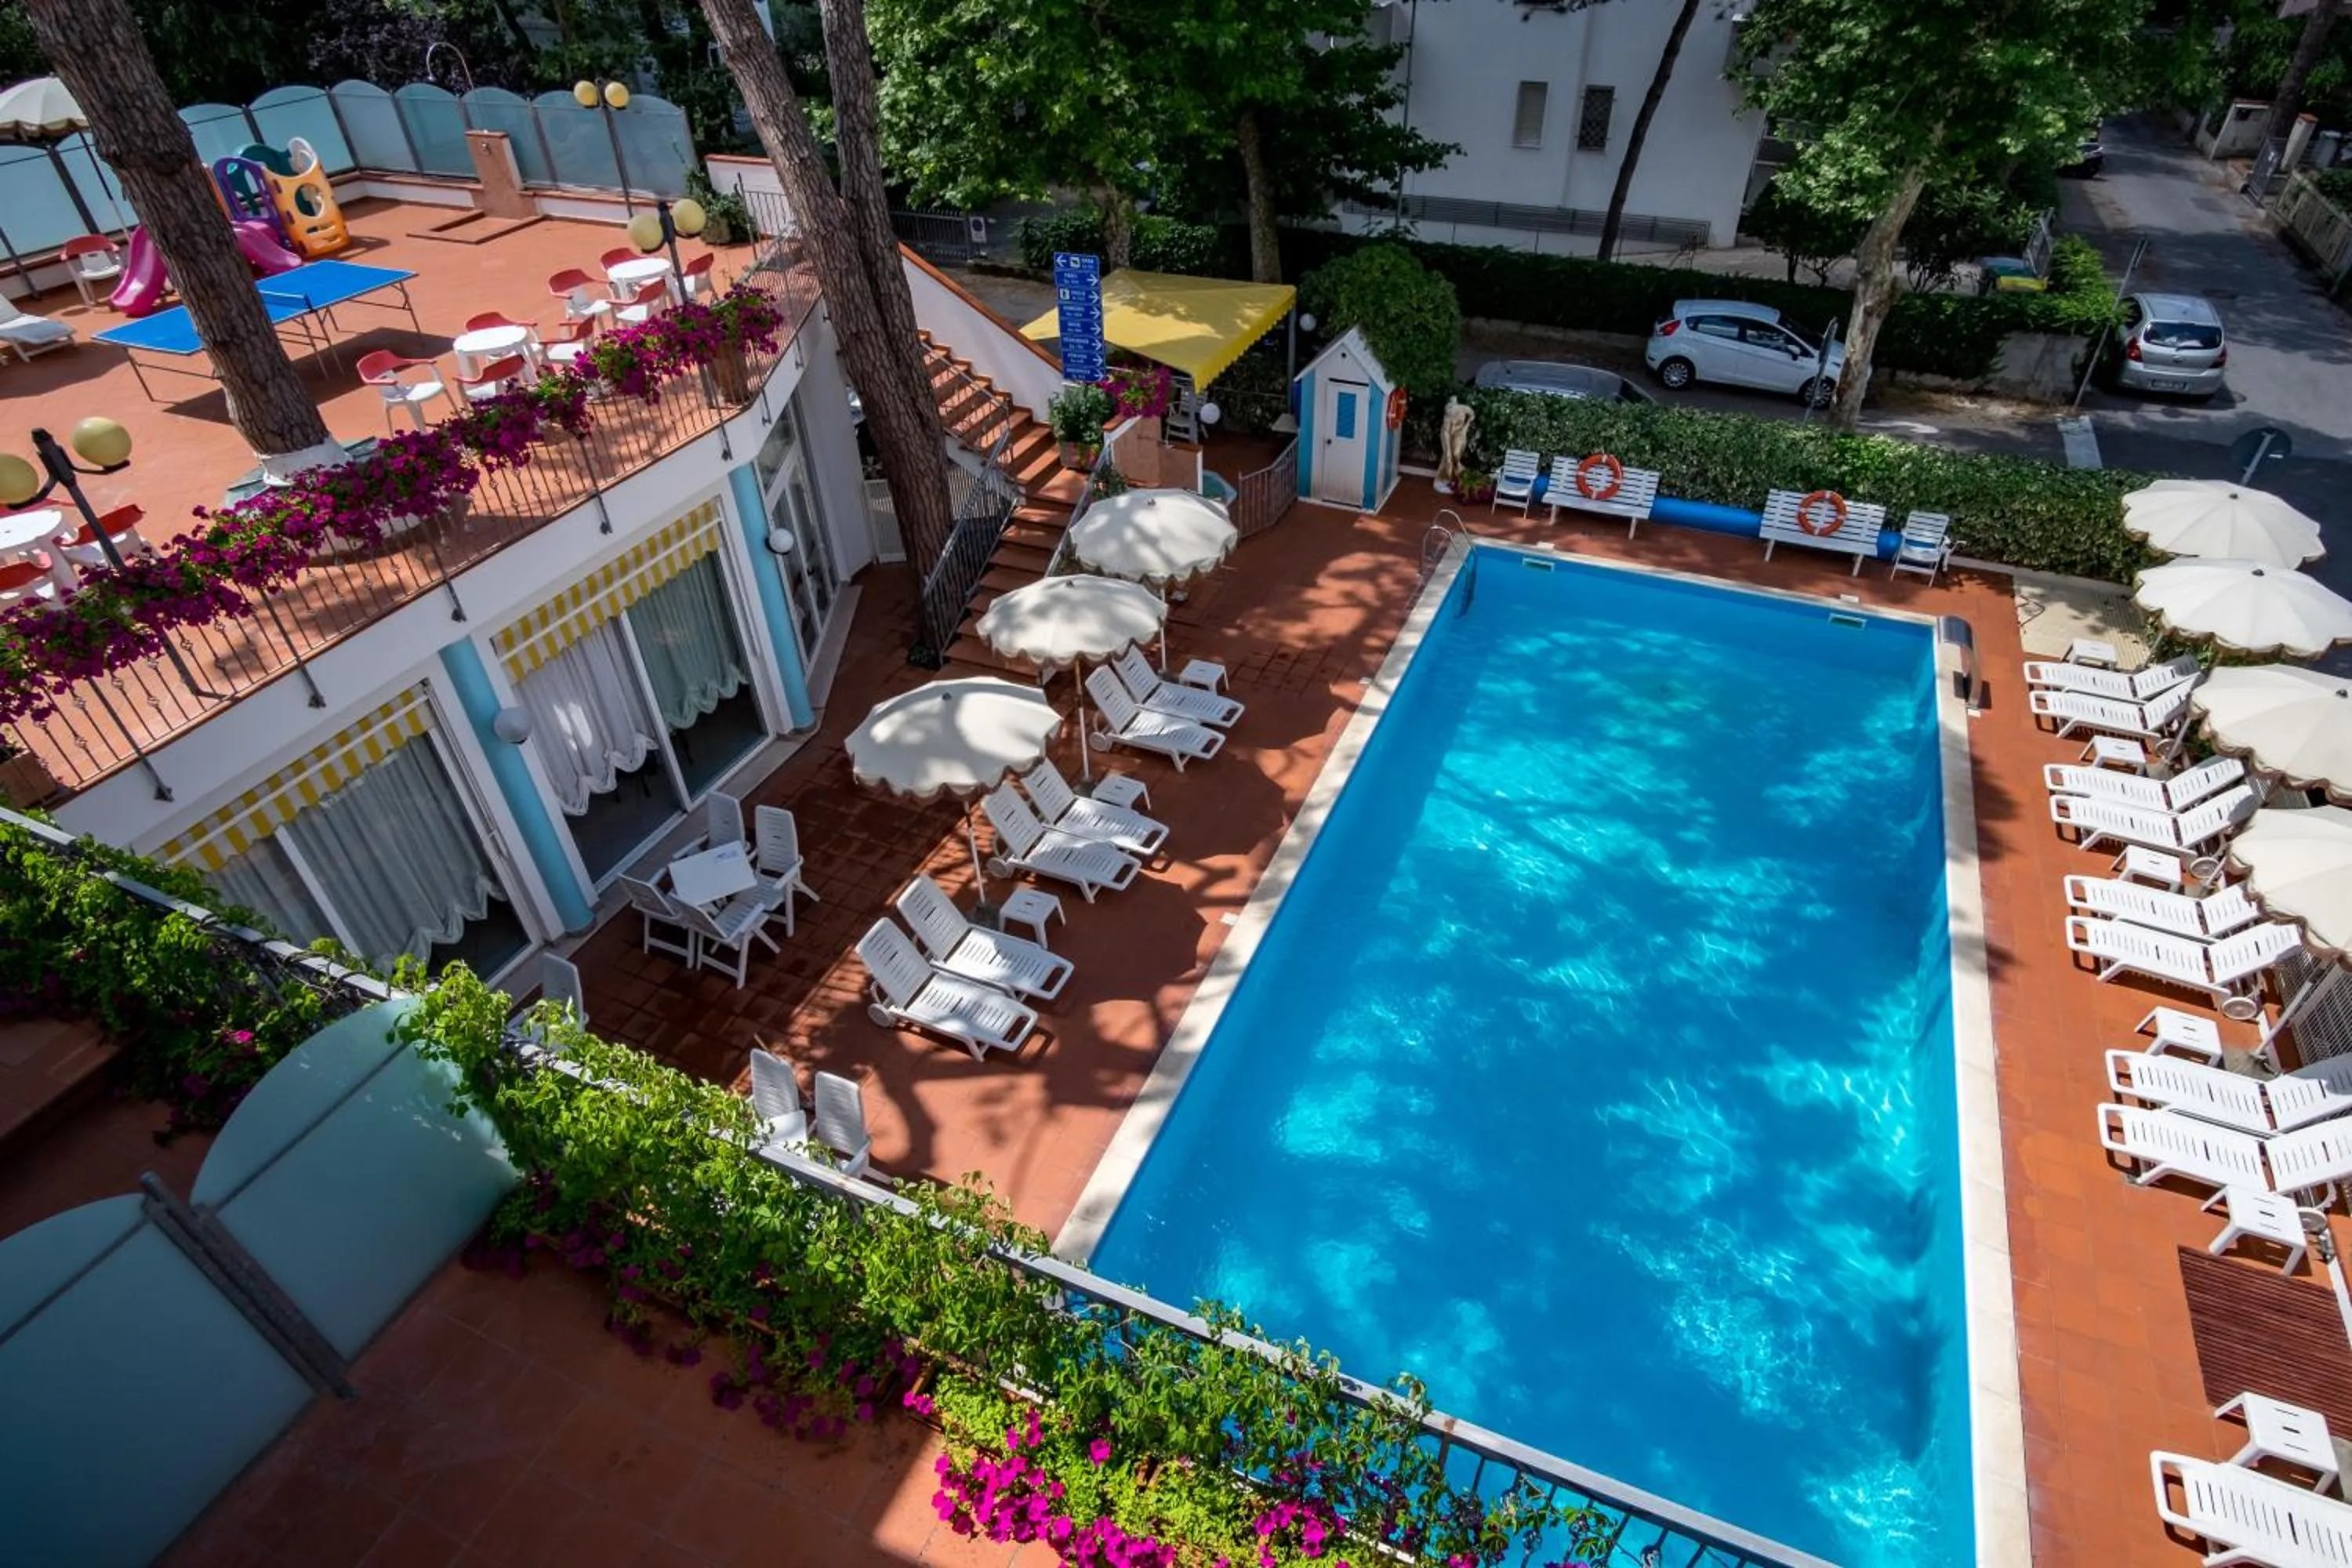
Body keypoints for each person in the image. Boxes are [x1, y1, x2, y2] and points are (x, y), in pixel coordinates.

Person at [1436, 397, 1474, 494]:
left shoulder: (1464, 409)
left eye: (1452, 414)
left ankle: (1459, 475)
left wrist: (1466, 427)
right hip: (1447, 435)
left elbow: (1472, 415)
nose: (1450, 416)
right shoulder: (1447, 418)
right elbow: (1446, 433)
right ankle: (1443, 479)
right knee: (1447, 457)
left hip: (1459, 433)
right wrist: (1448, 450)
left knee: (1456, 455)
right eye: (1449, 415)